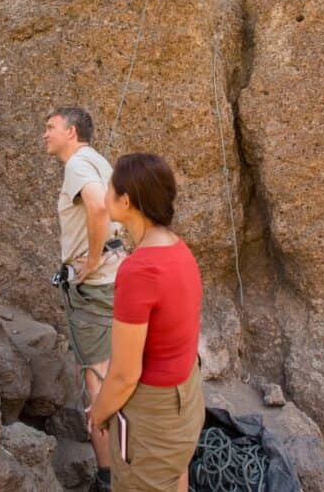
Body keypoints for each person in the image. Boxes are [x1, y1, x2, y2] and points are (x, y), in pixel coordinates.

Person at [87, 153, 204, 492]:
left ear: (126, 201)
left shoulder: (139, 270)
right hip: (186, 397)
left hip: (155, 411)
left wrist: (98, 413)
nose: (104, 193)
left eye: (109, 188)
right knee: (174, 475)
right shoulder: (179, 249)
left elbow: (124, 375)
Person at [43, 107, 125, 491]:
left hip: (96, 290)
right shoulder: (98, 161)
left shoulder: (78, 164)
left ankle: (108, 477)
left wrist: (90, 263)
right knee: (116, 372)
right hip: (116, 280)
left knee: (97, 378)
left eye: (50, 127)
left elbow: (97, 207)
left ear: (71, 131)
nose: (45, 134)